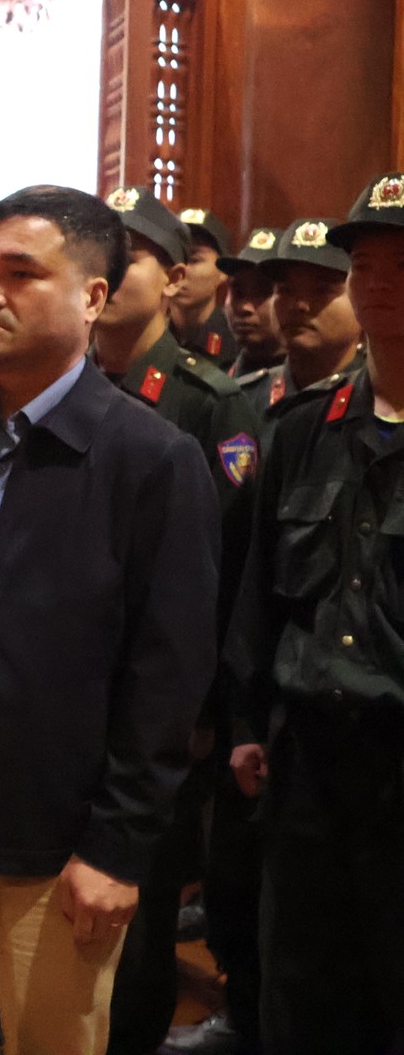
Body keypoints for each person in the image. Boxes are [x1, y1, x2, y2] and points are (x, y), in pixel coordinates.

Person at [0, 185, 219, 1055]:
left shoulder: (151, 458)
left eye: (21, 274)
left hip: (50, 838)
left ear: (93, 296)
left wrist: (117, 847)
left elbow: (166, 674)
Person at [223, 173, 404, 1053]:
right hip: (306, 772)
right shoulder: (302, 427)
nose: (378, 282)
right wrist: (245, 720)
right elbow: (259, 591)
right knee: (304, 1000)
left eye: (401, 263)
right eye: (365, 263)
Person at [90, 188, 261, 1055]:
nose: (115, 273)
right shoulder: (73, 385)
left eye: (136, 256)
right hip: (72, 688)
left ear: (174, 279)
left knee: (144, 904)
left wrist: (205, 706)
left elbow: (232, 571)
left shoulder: (206, 400)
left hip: (164, 702)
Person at [246, 220, 363, 420]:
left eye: (322, 291)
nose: (300, 305)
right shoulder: (244, 400)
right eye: (285, 290)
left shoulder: (379, 401)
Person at [174, 209, 240, 369]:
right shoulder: (148, 337)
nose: (181, 270)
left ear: (223, 272)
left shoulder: (237, 341)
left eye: (194, 260)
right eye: (176, 256)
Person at [219, 228, 287, 384]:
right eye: (238, 291)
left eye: (263, 292)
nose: (244, 307)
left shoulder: (309, 389)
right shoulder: (216, 384)